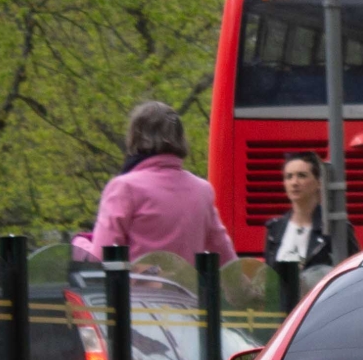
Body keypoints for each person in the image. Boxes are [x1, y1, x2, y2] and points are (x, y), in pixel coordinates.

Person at [72, 101, 237, 266]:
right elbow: (224, 255)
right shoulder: (202, 190)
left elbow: (101, 257)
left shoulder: (125, 188)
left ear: (134, 137)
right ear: (180, 138)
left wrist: (80, 243)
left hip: (136, 291)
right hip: (187, 291)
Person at [261, 151, 336, 272]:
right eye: (289, 177)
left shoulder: (334, 228)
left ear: (318, 182)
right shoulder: (274, 229)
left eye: (302, 175)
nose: (294, 183)